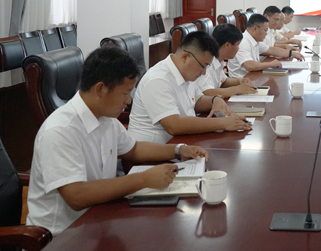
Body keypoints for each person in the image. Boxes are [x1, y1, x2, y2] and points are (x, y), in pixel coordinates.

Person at [27, 47, 209, 236]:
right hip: (64, 237)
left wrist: (179, 150)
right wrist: (144, 179)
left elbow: (134, 149)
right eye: (125, 93)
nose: (128, 101)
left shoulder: (105, 117)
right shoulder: (60, 130)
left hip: (100, 219)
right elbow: (77, 195)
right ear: (100, 89)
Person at [128, 31, 251, 144]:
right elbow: (174, 125)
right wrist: (223, 123)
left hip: (182, 144)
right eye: (203, 66)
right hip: (154, 152)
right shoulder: (158, 80)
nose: (204, 73)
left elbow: (198, 100)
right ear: (185, 57)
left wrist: (215, 100)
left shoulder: (187, 73)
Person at [228, 13, 305, 78]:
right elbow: (249, 66)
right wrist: (270, 64)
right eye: (265, 30)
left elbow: (271, 50)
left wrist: (291, 53)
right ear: (255, 28)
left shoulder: (254, 40)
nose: (266, 33)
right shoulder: (243, 42)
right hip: (241, 81)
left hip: (252, 77)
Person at [195, 23, 257, 98]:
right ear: (227, 45)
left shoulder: (219, 60)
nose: (238, 48)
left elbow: (223, 82)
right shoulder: (206, 62)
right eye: (237, 45)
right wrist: (237, 89)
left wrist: (239, 81)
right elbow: (207, 92)